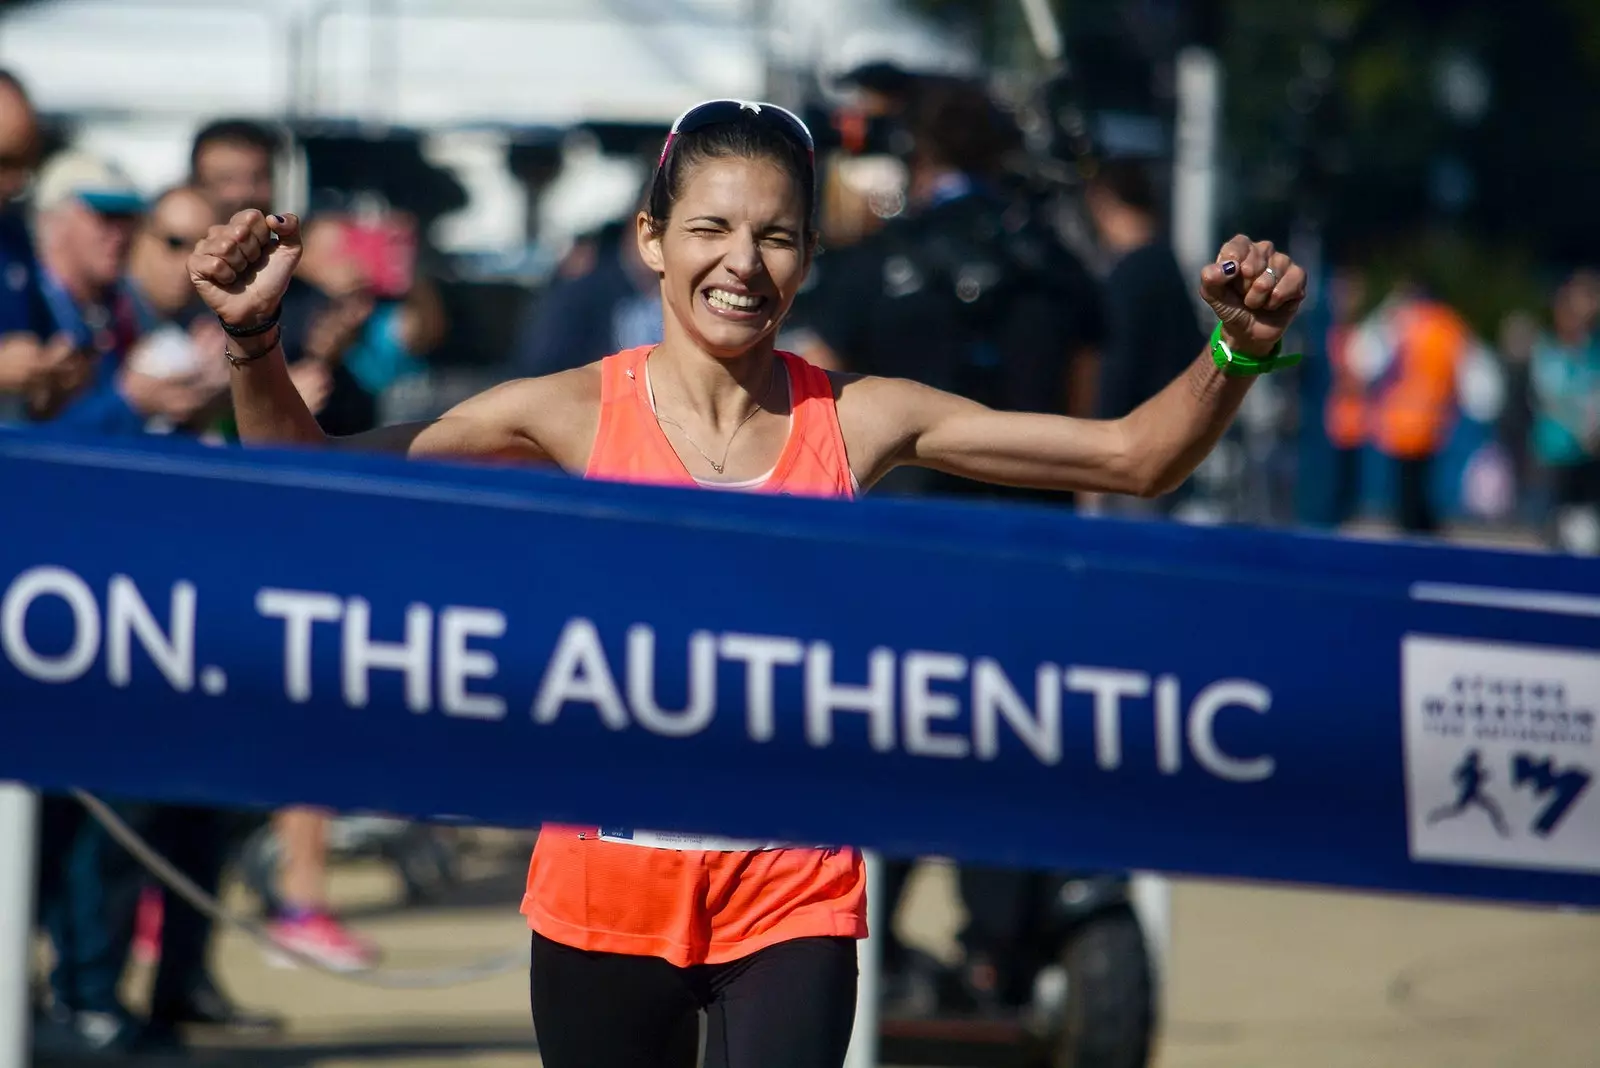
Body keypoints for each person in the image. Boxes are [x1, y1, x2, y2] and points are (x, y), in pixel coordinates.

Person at [187, 99, 1308, 1068]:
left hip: (791, 885)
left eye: (776, 236)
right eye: (711, 228)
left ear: (810, 256)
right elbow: (307, 482)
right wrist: (252, 344)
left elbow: (1131, 456)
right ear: (652, 241)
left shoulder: (859, 416)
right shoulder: (571, 411)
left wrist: (1236, 351)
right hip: (601, 891)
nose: (743, 262)